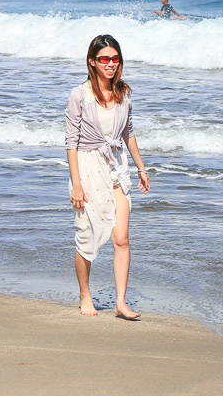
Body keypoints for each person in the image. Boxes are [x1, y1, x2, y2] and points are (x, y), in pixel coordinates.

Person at [65, 34, 150, 320]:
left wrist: (141, 167)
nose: (111, 64)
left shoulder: (123, 93)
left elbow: (128, 133)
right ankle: (85, 295)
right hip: (88, 169)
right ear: (92, 61)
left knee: (122, 237)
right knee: (87, 238)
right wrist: (76, 184)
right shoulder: (80, 94)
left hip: (116, 168)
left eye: (115, 58)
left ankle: (121, 303)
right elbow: (71, 143)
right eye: (104, 59)